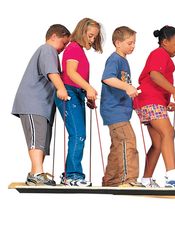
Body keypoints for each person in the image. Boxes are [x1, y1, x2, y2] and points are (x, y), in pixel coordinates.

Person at [133, 25, 175, 188]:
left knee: (159, 142)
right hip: (150, 101)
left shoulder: (162, 56)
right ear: (165, 42)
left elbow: (154, 83)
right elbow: (154, 75)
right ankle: (172, 174)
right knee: (168, 132)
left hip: (149, 102)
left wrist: (167, 103)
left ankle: (146, 180)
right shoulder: (159, 53)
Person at [12, 24, 71, 186]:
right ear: (53, 37)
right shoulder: (47, 50)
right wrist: (61, 88)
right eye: (63, 43)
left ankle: (34, 173)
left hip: (42, 106)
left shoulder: (50, 52)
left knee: (42, 140)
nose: (64, 48)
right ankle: (38, 172)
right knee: (37, 138)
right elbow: (52, 72)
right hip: (33, 103)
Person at [55, 18, 103, 186]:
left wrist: (86, 93)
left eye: (94, 37)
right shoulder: (74, 48)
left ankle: (70, 174)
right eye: (90, 36)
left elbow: (77, 77)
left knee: (79, 135)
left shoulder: (79, 50)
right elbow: (71, 73)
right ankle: (73, 175)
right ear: (82, 32)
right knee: (78, 134)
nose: (92, 40)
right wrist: (89, 88)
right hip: (68, 93)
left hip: (77, 94)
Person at [100, 26, 142, 187]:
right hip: (115, 110)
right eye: (130, 43)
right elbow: (107, 78)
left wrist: (131, 90)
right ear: (118, 43)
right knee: (128, 142)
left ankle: (110, 180)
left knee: (118, 145)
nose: (133, 46)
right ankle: (128, 179)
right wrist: (127, 87)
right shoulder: (115, 59)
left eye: (134, 43)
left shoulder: (123, 61)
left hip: (120, 111)